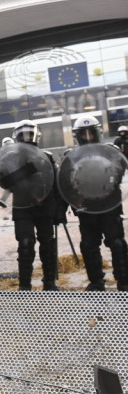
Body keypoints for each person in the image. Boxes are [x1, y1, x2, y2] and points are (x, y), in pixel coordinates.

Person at [5, 120, 64, 291]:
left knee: (47, 245)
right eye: (23, 135)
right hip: (23, 208)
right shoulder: (10, 157)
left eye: (30, 134)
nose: (27, 138)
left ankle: (50, 282)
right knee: (25, 243)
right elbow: (4, 182)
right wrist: (27, 169)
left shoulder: (47, 156)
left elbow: (56, 185)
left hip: (44, 207)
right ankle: (25, 285)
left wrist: (59, 211)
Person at [71, 116, 128, 291]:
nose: (88, 136)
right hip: (86, 208)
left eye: (91, 132)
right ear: (78, 136)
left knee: (117, 244)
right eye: (84, 133)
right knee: (88, 246)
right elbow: (67, 182)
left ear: (98, 132)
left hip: (109, 205)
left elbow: (119, 171)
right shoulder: (72, 156)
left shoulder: (111, 151)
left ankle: (124, 281)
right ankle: (96, 282)